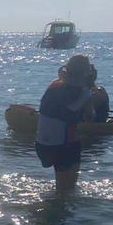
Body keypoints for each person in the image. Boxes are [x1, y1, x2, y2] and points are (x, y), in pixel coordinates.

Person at [36, 55, 94, 194]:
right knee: (67, 191)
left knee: (60, 188)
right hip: (64, 143)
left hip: (42, 143)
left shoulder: (54, 84)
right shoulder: (83, 92)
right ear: (86, 72)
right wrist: (88, 99)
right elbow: (90, 116)